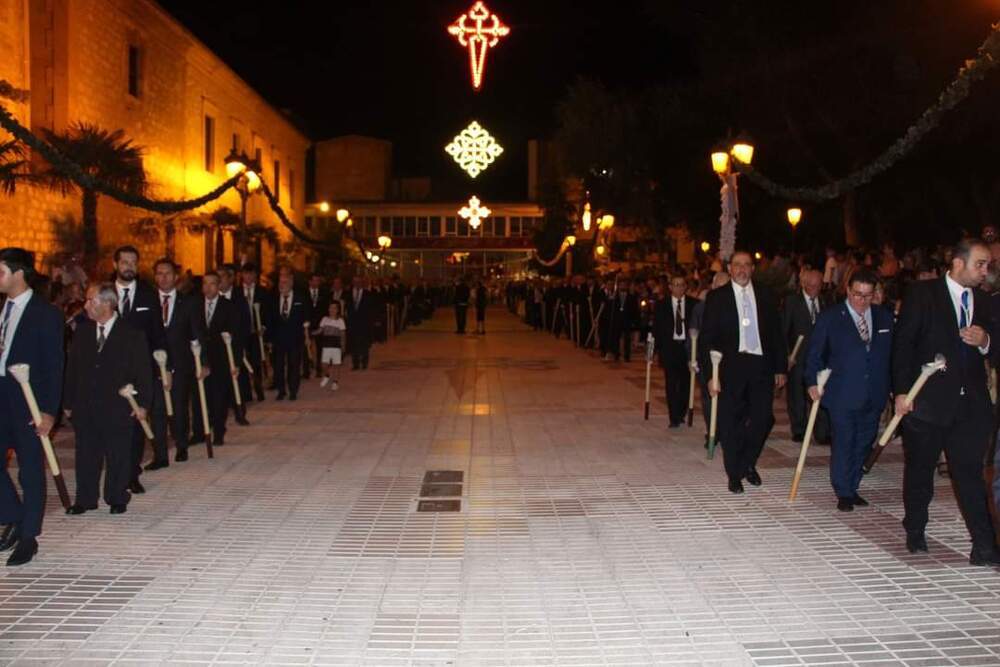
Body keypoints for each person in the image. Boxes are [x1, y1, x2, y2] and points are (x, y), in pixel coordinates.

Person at [892, 238, 1000, 565]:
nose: (986, 272)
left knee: (969, 474)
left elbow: (997, 350)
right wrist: (900, 393)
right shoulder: (923, 295)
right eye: (980, 264)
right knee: (921, 471)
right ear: (957, 263)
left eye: (988, 266)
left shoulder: (985, 302)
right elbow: (903, 347)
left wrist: (986, 341)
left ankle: (984, 546)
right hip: (927, 402)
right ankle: (915, 528)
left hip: (971, 407)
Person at [805, 268, 893, 512]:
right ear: (848, 290)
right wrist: (812, 381)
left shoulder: (884, 317)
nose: (862, 301)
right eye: (857, 295)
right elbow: (814, 353)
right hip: (842, 393)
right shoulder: (831, 317)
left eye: (867, 295)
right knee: (844, 441)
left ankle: (852, 486)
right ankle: (843, 491)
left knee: (865, 441)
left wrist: (896, 389)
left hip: (874, 392)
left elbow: (892, 356)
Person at [701, 251, 787, 494]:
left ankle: (747, 462)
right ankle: (734, 473)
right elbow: (708, 340)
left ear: (752, 269)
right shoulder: (717, 298)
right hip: (730, 367)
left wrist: (780, 367)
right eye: (737, 265)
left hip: (760, 366)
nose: (742, 270)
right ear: (730, 269)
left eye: (747, 265)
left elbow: (776, 334)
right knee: (731, 423)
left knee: (763, 419)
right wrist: (711, 375)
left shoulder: (766, 295)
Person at [64, 283, 153, 516]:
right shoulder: (82, 332)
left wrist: (143, 404)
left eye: (91, 300)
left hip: (117, 405)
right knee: (85, 454)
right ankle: (85, 499)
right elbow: (72, 369)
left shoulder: (131, 334)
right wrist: (68, 402)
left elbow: (144, 371)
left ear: (107, 303)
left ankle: (116, 496)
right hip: (86, 405)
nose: (86, 305)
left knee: (118, 453)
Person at [0, 248, 64, 567]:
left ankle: (28, 537)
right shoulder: (2, 308)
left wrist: (50, 410)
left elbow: (55, 366)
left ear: (18, 274)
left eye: (0, 272)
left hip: (28, 400)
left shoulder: (46, 313)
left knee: (29, 469)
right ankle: (12, 515)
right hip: (0, 395)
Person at [111, 246, 167, 497]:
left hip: (139, 369)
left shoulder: (148, 295)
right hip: (110, 370)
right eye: (124, 262)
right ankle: (115, 473)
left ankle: (132, 474)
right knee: (112, 423)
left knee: (136, 424)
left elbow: (158, 333)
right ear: (115, 265)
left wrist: (165, 367)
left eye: (133, 262)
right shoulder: (102, 292)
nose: (129, 266)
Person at [152, 258, 206, 465]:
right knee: (157, 410)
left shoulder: (189, 303)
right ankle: (160, 455)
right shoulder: (149, 302)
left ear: (176, 277)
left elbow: (197, 334)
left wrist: (203, 361)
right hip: (155, 363)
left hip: (181, 362)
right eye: (159, 273)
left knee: (179, 406)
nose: (163, 277)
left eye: (167, 273)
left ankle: (181, 444)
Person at [193, 271, 241, 445]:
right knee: (199, 397)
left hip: (221, 359)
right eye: (205, 283)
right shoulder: (195, 305)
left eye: (212, 283)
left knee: (218, 397)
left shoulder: (228, 306)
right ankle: (199, 432)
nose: (208, 287)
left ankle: (219, 431)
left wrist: (235, 362)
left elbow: (236, 336)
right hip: (200, 358)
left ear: (219, 285)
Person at [784, 269, 831, 444]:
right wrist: (787, 354)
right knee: (796, 393)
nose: (814, 289)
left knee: (821, 392)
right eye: (811, 285)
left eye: (818, 286)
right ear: (803, 284)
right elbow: (784, 329)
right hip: (798, 354)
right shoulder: (792, 302)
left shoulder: (827, 301)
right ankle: (799, 429)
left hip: (820, 357)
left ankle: (822, 432)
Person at [654, 274, 698, 428]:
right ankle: (673, 416)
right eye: (675, 284)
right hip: (670, 349)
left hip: (687, 349)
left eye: (681, 284)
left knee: (686, 383)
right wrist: (656, 351)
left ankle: (681, 411)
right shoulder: (661, 305)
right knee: (671, 383)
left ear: (686, 287)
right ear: (670, 287)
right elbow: (657, 329)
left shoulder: (694, 304)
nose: (678, 287)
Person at [268, 269, 307, 400]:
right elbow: (269, 320)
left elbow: (306, 316)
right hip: (278, 340)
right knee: (278, 366)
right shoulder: (273, 299)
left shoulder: (300, 298)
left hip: (295, 339)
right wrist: (269, 339)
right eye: (280, 282)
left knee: (294, 366)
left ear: (291, 282)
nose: (282, 285)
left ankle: (293, 390)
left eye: (285, 282)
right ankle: (281, 390)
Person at [239, 263, 269, 402]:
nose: (249, 277)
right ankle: (246, 394)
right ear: (242, 275)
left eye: (251, 274)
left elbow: (269, 313)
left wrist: (263, 326)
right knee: (243, 363)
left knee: (256, 363)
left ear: (255, 276)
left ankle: (259, 390)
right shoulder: (237, 292)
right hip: (242, 334)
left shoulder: (263, 292)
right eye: (246, 274)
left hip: (257, 334)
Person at [314, 301, 346, 390]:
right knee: (324, 364)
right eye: (330, 308)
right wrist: (311, 333)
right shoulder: (324, 319)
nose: (332, 310)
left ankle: (335, 382)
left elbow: (343, 334)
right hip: (326, 346)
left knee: (336, 365)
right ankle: (327, 375)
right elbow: (320, 330)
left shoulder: (340, 321)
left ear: (338, 310)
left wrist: (343, 346)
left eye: (334, 308)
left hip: (336, 346)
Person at [348, 278, 374, 370]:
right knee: (353, 343)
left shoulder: (368, 294)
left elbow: (371, 310)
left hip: (364, 323)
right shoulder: (348, 293)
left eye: (359, 282)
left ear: (362, 283)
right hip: (352, 323)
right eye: (355, 282)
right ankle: (355, 363)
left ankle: (364, 363)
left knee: (364, 344)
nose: (357, 284)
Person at [306, 273, 329, 378]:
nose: (317, 283)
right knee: (306, 346)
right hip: (307, 324)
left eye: (318, 281)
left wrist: (324, 324)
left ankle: (319, 369)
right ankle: (306, 370)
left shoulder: (324, 293)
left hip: (320, 324)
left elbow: (326, 310)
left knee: (320, 348)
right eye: (315, 280)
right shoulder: (304, 293)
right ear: (310, 281)